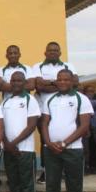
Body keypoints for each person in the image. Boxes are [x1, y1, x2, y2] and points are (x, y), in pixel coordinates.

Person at [41, 69, 93, 192]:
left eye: (66, 79)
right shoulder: (50, 99)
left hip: (73, 150)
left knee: (75, 188)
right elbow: (44, 123)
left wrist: (64, 143)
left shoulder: (81, 99)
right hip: (51, 151)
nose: (62, 82)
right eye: (60, 79)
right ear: (56, 81)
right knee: (52, 186)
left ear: (72, 82)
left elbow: (84, 126)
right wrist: (48, 143)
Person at [33, 42, 78, 183]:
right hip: (44, 109)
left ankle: (65, 170)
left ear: (60, 53)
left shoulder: (68, 66)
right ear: (45, 52)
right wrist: (60, 85)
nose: (53, 52)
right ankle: (46, 172)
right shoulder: (37, 66)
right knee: (45, 139)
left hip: (66, 108)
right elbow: (39, 86)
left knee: (67, 135)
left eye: (55, 50)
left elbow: (75, 82)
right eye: (50, 50)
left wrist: (50, 83)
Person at [1, 72, 41, 192]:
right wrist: (6, 143)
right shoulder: (6, 101)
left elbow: (32, 125)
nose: (16, 83)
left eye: (19, 80)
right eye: (13, 81)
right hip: (9, 149)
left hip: (24, 149)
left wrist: (14, 143)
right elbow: (0, 125)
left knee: (27, 184)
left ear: (24, 82)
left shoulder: (30, 100)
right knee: (14, 182)